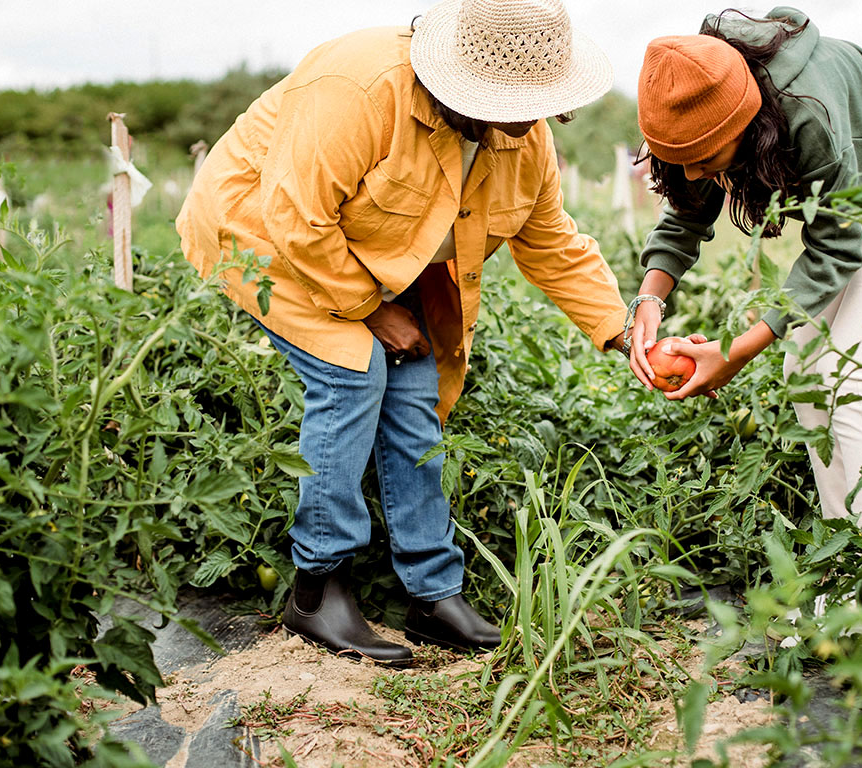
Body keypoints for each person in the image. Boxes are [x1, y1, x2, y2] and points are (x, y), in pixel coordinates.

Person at [175, 0, 629, 666]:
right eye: (510, 104)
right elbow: (296, 218)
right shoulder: (361, 88)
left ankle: (432, 594)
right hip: (263, 236)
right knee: (353, 370)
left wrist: (622, 332)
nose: (526, 122)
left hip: (374, 254)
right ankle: (317, 586)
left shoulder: (522, 135)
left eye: (538, 105)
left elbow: (552, 242)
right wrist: (371, 309)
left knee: (414, 390)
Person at [627, 7, 862, 524]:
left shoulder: (809, 111)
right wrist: (649, 299)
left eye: (706, 158)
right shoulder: (697, 93)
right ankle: (843, 555)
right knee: (803, 366)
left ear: (747, 125)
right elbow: (685, 217)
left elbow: (835, 249)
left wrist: (733, 353)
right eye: (679, 158)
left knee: (848, 371)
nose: (692, 172)